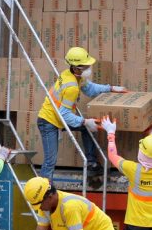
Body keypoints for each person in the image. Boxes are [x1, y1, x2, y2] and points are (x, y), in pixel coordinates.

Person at [36, 46, 126, 182]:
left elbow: (90, 89)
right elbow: (64, 114)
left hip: (57, 117)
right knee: (50, 161)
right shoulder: (71, 86)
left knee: (88, 129)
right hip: (48, 122)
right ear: (77, 67)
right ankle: (43, 190)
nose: (89, 67)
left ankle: (91, 164)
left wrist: (111, 88)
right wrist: (84, 121)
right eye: (86, 65)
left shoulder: (71, 74)